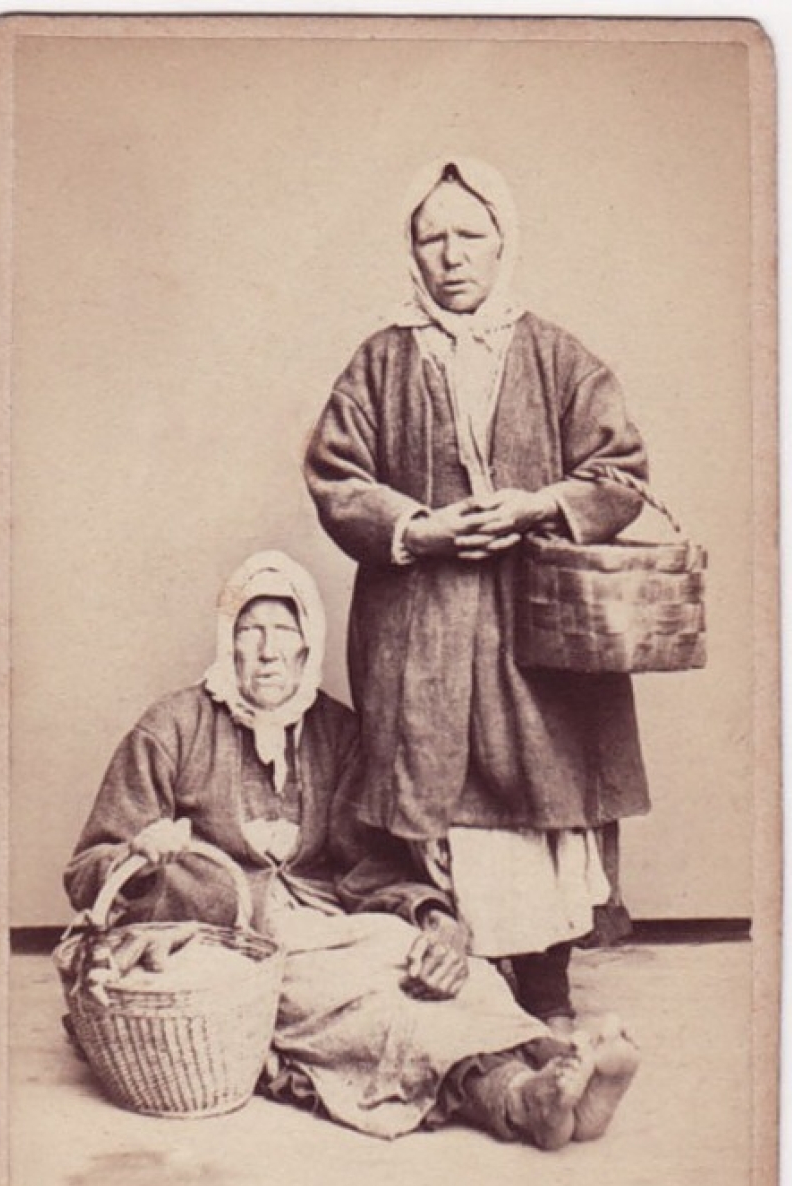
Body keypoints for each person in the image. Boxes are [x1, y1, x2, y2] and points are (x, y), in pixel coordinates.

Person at [63, 550, 638, 1146]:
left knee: (442, 967)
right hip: (232, 941)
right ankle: (518, 1099)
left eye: (284, 631)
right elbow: (88, 869)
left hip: (328, 921)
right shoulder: (173, 728)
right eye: (251, 630)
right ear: (227, 641)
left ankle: (557, 1062)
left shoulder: (333, 731)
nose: (268, 651)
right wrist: (139, 858)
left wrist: (434, 919)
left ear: (308, 644)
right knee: (365, 1007)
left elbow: (368, 861)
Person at [304, 157, 651, 1032]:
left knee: (539, 786)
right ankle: (467, 976)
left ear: (503, 243)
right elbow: (336, 476)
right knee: (438, 790)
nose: (451, 255)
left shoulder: (557, 355)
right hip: (418, 622)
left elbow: (620, 473)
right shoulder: (379, 360)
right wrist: (419, 529)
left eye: (469, 235)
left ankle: (546, 984)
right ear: (411, 251)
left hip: (536, 624)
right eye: (432, 238)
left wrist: (538, 505)